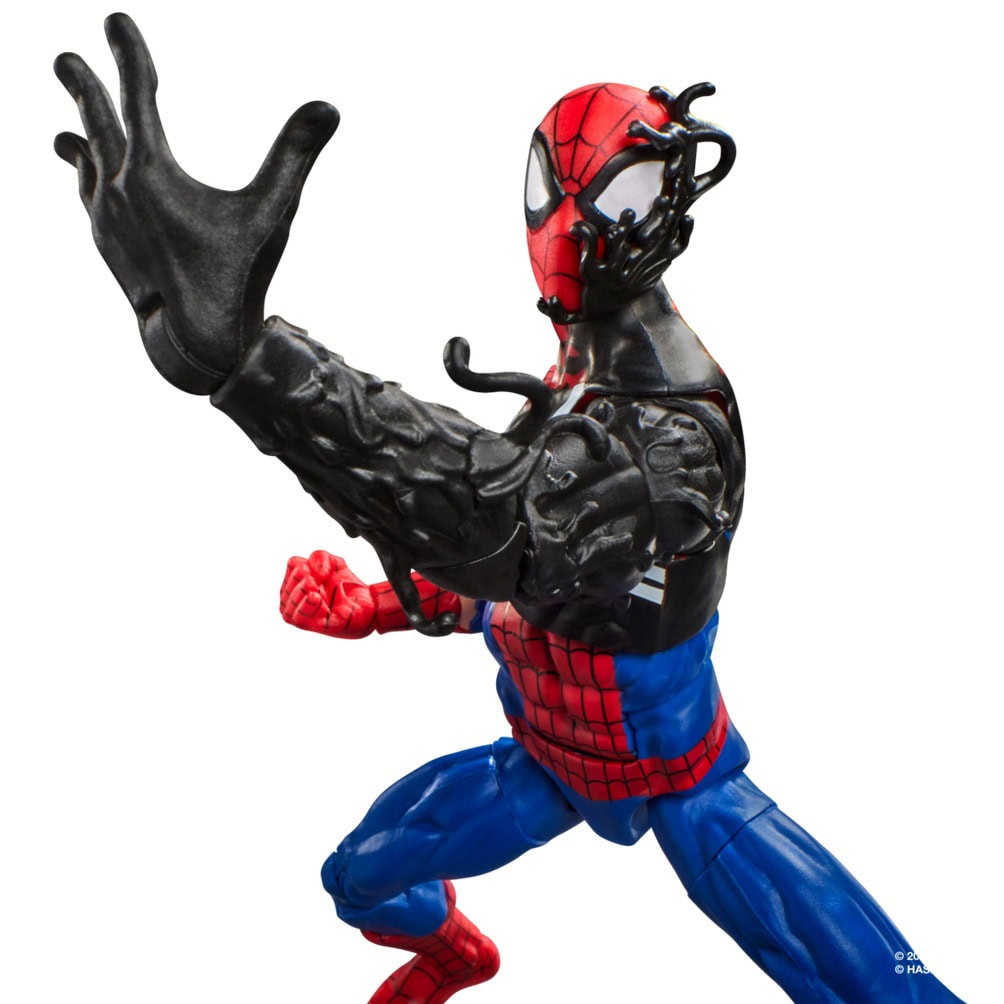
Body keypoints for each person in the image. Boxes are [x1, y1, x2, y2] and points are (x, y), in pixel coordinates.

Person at [55, 15, 963, 1003]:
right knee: (358, 877)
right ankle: (458, 955)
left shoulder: (675, 431)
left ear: (669, 205)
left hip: (677, 779)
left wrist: (258, 366)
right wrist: (375, 606)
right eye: (552, 189)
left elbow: (511, 527)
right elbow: (530, 571)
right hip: (544, 754)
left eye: (617, 194)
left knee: (886, 989)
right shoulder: (580, 379)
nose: (571, 225)